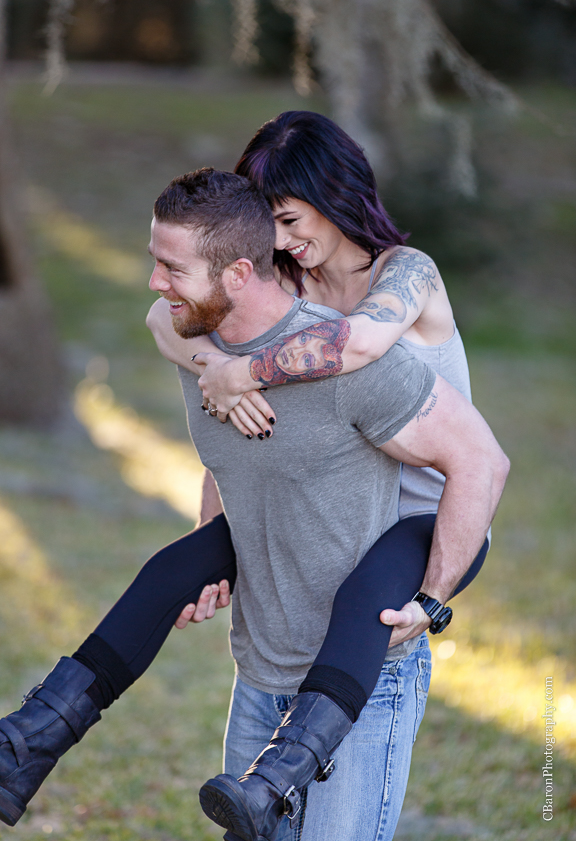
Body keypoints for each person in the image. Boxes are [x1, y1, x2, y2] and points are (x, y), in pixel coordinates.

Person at [0, 144, 505, 841]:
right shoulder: (269, 294)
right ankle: (27, 742)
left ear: (334, 202)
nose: (279, 236)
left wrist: (241, 372)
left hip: (430, 511)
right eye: (267, 219)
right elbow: (233, 445)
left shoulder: (399, 281)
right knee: (177, 566)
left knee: (368, 594)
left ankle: (288, 770)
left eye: (289, 217)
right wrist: (214, 364)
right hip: (298, 580)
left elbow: (358, 346)